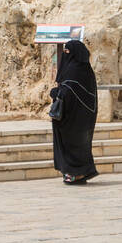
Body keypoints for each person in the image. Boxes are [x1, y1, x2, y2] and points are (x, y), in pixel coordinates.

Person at [50, 37, 99, 184]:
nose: (65, 53)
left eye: (68, 51)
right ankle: (78, 173)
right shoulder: (86, 70)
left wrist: (55, 93)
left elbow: (68, 92)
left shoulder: (74, 70)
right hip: (82, 116)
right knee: (80, 144)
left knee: (73, 143)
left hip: (73, 117)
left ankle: (76, 173)